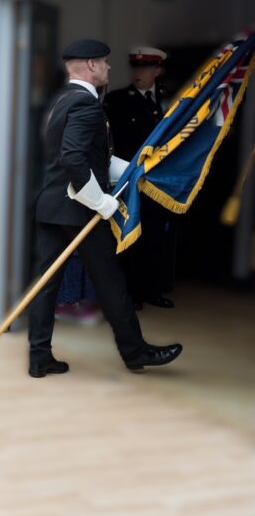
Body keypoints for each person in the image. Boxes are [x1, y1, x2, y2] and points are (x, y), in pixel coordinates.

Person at [28, 39, 182, 378]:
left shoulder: (63, 100)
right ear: (91, 65)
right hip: (78, 209)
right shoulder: (86, 104)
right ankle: (135, 352)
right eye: (105, 62)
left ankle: (39, 357)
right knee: (111, 283)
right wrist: (102, 203)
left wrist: (134, 171)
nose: (111, 68)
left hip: (51, 207)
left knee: (45, 285)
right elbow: (73, 160)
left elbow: (93, 158)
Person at [104, 46, 177, 310]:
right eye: (136, 67)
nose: (139, 72)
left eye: (146, 68)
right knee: (131, 234)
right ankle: (131, 293)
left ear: (158, 71)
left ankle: (152, 289)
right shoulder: (118, 100)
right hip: (129, 179)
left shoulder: (169, 100)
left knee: (157, 237)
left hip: (158, 182)